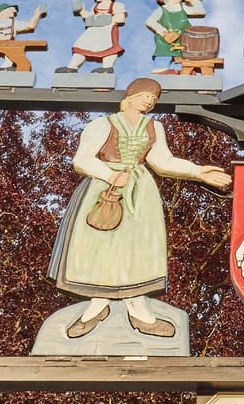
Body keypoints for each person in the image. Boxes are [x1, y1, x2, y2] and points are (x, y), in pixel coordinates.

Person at [49, 78, 232, 339]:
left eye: (154, 98)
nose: (149, 100)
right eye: (145, 94)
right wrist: (109, 175)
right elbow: (82, 159)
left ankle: (138, 309)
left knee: (139, 246)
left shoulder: (154, 126)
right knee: (99, 244)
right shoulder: (103, 124)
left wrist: (198, 172)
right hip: (103, 190)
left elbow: (161, 161)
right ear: (131, 96)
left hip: (140, 192)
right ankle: (97, 305)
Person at [58, 0, 126, 74]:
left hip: (107, 30)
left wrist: (105, 19)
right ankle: (71, 67)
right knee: (82, 46)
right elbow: (89, 17)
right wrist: (81, 10)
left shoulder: (116, 5)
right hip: (93, 30)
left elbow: (120, 18)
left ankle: (107, 68)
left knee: (109, 48)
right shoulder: (95, 7)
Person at [145, 0, 203, 73]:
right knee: (163, 56)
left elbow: (200, 11)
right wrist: (163, 32)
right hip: (165, 40)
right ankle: (161, 70)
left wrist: (193, 0)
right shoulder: (162, 10)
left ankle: (183, 71)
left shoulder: (183, 9)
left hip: (182, 40)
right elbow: (150, 21)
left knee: (182, 59)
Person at [0, 3, 46, 69]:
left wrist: (37, 15)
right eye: (11, 9)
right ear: (2, 11)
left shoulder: (15, 23)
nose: (15, 12)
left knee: (13, 55)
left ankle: (6, 68)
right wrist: (3, 38)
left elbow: (30, 27)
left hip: (9, 46)